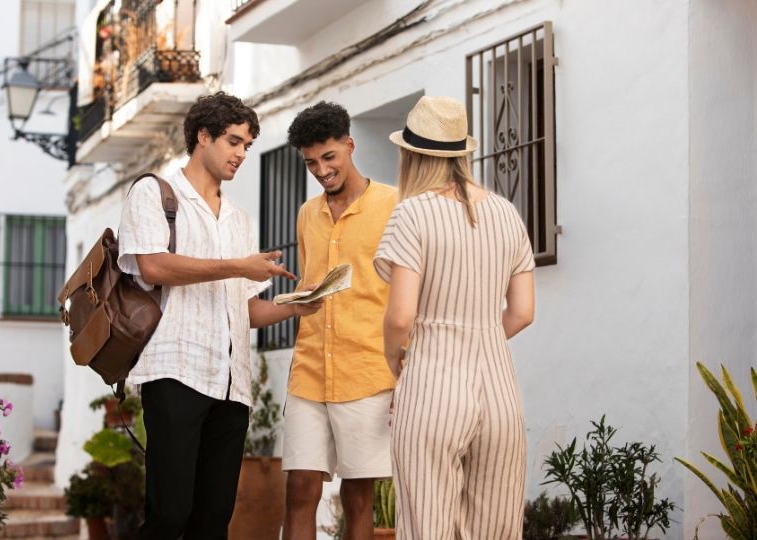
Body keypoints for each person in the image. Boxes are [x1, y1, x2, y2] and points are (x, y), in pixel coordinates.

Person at [117, 91, 322, 540]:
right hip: (175, 373)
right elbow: (153, 266)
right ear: (202, 136)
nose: (242, 154)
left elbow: (243, 308)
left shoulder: (239, 219)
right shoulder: (153, 193)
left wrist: (296, 306)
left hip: (232, 385)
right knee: (169, 514)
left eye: (247, 145)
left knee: (212, 522)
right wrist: (238, 266)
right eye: (233, 142)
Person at [374, 95, 536, 539]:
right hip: (500, 391)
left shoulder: (411, 213)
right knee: (496, 530)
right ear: (463, 152)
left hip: (430, 384)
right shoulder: (506, 213)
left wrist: (394, 358)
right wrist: (480, 335)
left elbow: (401, 316)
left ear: (410, 155)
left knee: (428, 525)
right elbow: (522, 312)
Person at [281, 101, 398, 540]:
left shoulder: (392, 204)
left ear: (349, 146)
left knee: (358, 497)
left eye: (329, 157)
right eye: (311, 162)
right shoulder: (306, 214)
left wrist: (403, 372)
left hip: (367, 370)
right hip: (309, 371)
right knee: (299, 487)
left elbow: (406, 293)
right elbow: (313, 283)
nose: (321, 170)